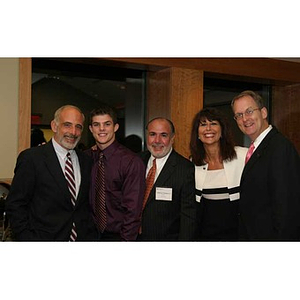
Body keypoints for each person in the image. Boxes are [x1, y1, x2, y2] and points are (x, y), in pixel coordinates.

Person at [6, 105, 98, 241]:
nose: (73, 132)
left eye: (78, 127)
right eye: (67, 125)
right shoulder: (32, 159)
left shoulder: (86, 161)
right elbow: (16, 204)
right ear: (54, 126)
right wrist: (27, 240)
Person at [231, 90, 300, 241]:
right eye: (239, 115)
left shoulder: (279, 147)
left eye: (249, 111)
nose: (245, 119)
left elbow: (287, 208)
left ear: (263, 112)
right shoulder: (257, 148)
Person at [85, 104, 145, 241]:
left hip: (119, 236)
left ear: (115, 127)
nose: (101, 129)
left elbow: (133, 211)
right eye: (96, 124)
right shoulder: (86, 158)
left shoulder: (130, 161)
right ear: (90, 129)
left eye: (107, 124)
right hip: (89, 235)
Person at [190, 108, 248, 241]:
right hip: (205, 235)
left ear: (222, 130)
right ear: (197, 134)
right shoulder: (192, 163)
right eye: (203, 124)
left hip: (238, 234)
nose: (208, 129)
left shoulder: (243, 156)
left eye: (213, 123)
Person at [138, 117, 198, 241]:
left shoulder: (185, 169)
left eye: (163, 135)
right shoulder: (136, 161)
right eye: (152, 134)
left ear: (172, 138)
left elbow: (188, 216)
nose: (157, 141)